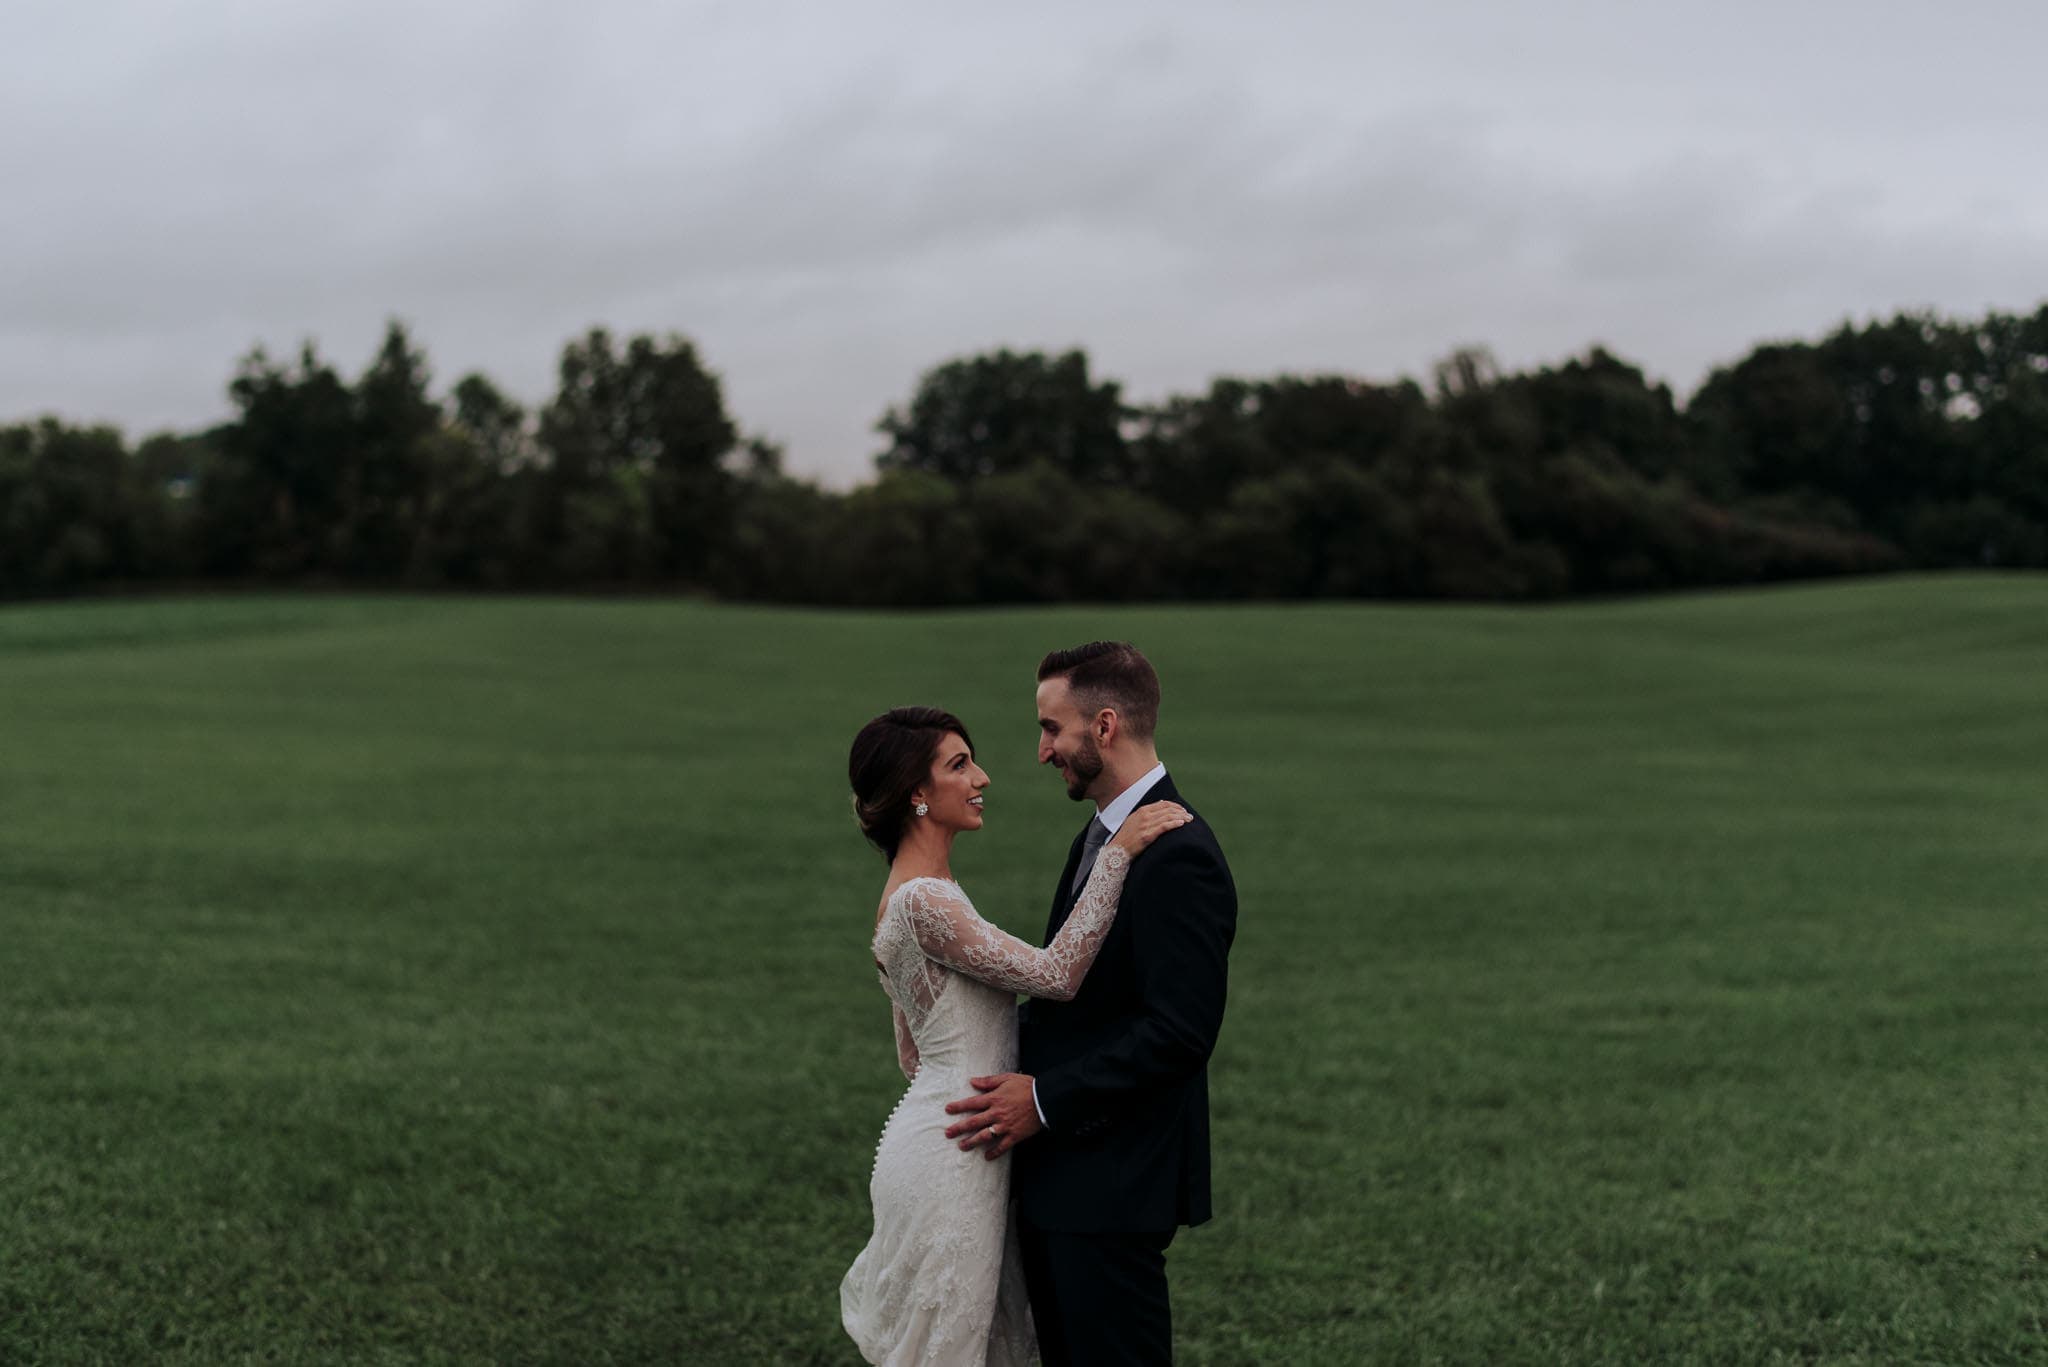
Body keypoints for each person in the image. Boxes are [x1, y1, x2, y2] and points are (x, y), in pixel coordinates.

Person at [840, 705, 1190, 1365]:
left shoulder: (909, 895)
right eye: (959, 764)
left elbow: (913, 1052)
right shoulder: (926, 901)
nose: (984, 776)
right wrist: (1116, 854)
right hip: (959, 1148)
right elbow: (1055, 974)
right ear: (918, 792)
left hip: (948, 1134)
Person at [943, 642, 1237, 1366]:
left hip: (1113, 1183)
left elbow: (1179, 1031)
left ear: (1104, 726)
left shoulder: (1179, 853)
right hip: (1064, 1180)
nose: (1042, 751)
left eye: (1052, 728)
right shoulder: (1104, 834)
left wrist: (1043, 1099)